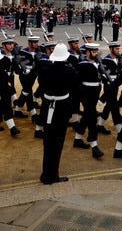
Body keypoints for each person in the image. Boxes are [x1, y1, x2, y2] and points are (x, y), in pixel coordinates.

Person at [37, 44, 77, 184]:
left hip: (47, 106)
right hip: (61, 108)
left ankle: (45, 173)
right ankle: (52, 176)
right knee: (57, 143)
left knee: (48, 142)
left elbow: (41, 85)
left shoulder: (45, 70)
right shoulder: (70, 72)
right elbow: (73, 88)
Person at [73, 43, 106, 158]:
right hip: (86, 93)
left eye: (96, 51)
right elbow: (77, 82)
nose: (95, 53)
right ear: (87, 52)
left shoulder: (98, 63)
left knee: (87, 115)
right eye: (93, 51)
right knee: (92, 118)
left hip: (95, 92)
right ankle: (94, 145)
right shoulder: (82, 65)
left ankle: (77, 138)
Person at [0, 37, 22, 136]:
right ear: (4, 46)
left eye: (12, 44)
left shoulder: (10, 58)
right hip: (3, 83)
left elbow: (16, 71)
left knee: (5, 104)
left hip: (6, 83)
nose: (12, 46)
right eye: (9, 44)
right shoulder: (2, 58)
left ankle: (12, 128)